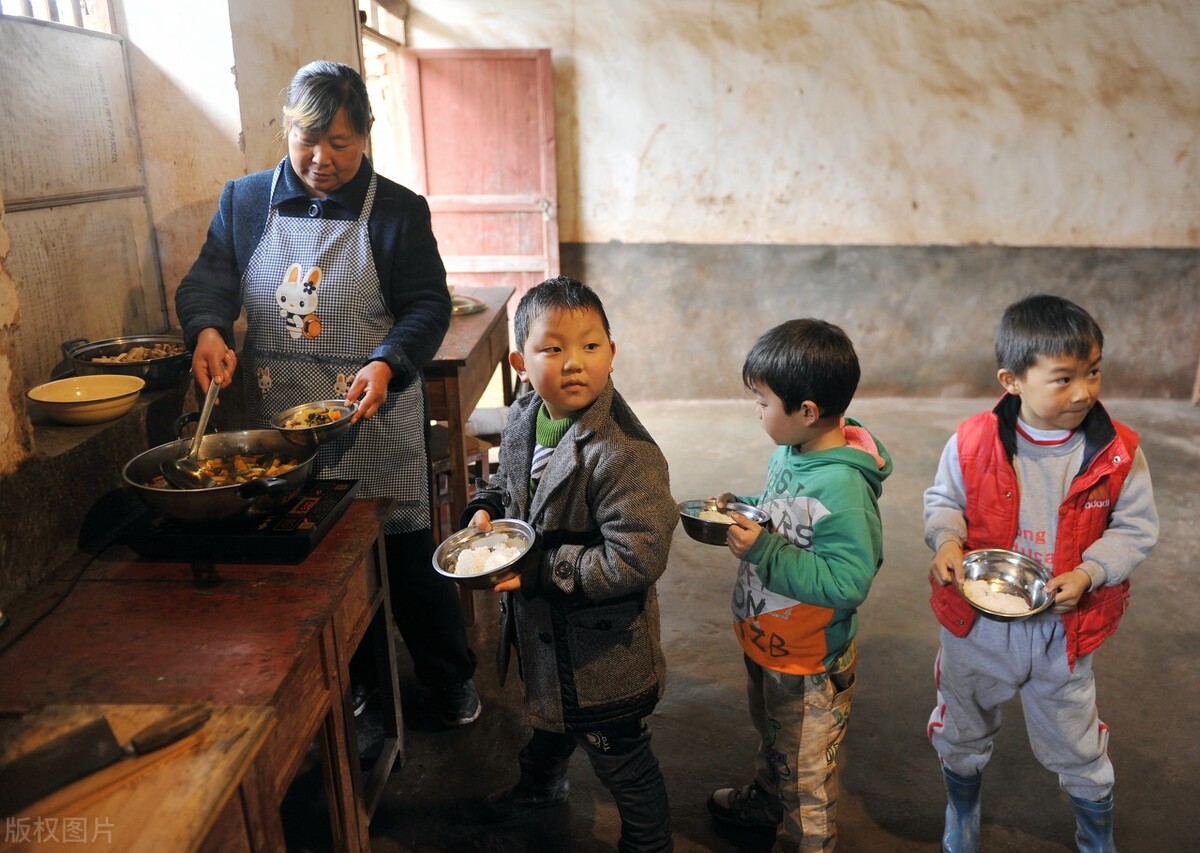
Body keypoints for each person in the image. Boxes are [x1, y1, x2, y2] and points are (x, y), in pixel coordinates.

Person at [175, 59, 480, 726]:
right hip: (282, 430)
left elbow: (426, 307)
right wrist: (206, 328)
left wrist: (389, 360)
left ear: (366, 136)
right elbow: (208, 284)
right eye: (306, 140)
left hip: (373, 418)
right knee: (323, 568)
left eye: (340, 144)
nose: (321, 159)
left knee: (405, 561)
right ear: (286, 129)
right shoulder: (245, 201)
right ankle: (363, 684)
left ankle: (449, 674)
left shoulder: (397, 210)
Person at [924, 294, 1159, 853]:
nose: (1084, 391)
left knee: (1076, 745)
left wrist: (1091, 572)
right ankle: (962, 809)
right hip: (975, 628)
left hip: (1064, 635)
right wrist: (947, 539)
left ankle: (1095, 833)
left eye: (1093, 372)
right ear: (1012, 380)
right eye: (1063, 378)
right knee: (961, 729)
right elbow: (943, 500)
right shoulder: (970, 441)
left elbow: (1135, 530)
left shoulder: (1118, 454)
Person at [461, 276, 677, 852]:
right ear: (521, 363)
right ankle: (541, 788)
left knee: (621, 758)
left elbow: (638, 556)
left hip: (600, 651)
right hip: (543, 637)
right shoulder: (525, 414)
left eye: (590, 346)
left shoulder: (625, 453)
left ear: (612, 352)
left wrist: (540, 568)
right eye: (552, 348)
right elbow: (510, 487)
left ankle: (650, 844)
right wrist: (485, 509)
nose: (574, 363)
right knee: (548, 720)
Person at [705, 319, 892, 853]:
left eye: (762, 402)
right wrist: (745, 509)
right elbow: (785, 517)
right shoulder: (793, 451)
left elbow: (848, 579)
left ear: (807, 411)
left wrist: (763, 549)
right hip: (771, 643)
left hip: (810, 663)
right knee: (775, 740)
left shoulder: (844, 486)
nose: (757, 411)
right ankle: (767, 802)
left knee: (807, 782)